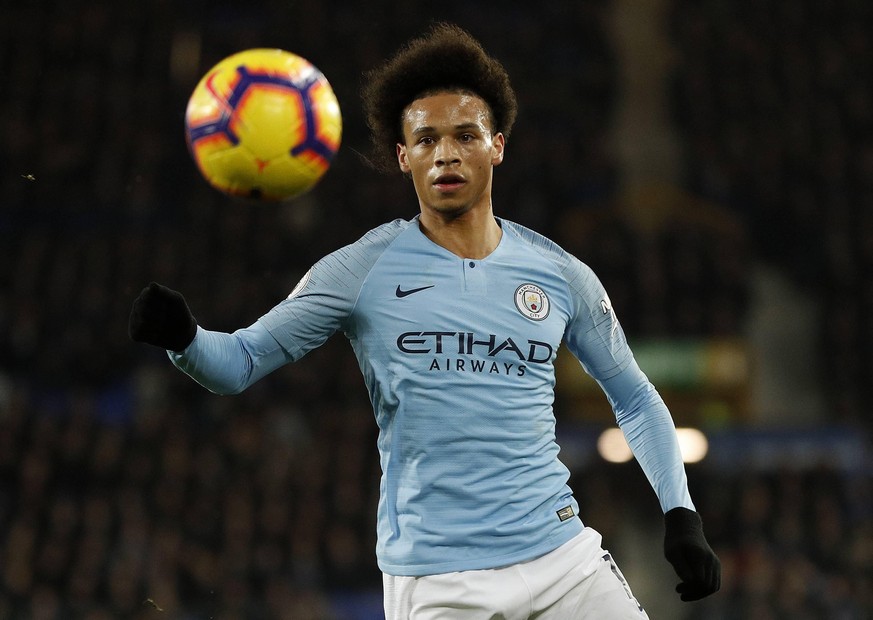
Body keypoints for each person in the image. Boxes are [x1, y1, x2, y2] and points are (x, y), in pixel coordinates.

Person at [129, 22, 720, 619]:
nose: (445, 153)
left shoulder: (560, 275)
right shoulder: (361, 269)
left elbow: (637, 401)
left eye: (465, 135)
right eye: (427, 138)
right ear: (402, 155)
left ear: (497, 146)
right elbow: (239, 363)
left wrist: (681, 514)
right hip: (438, 581)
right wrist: (185, 338)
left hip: (563, 560)